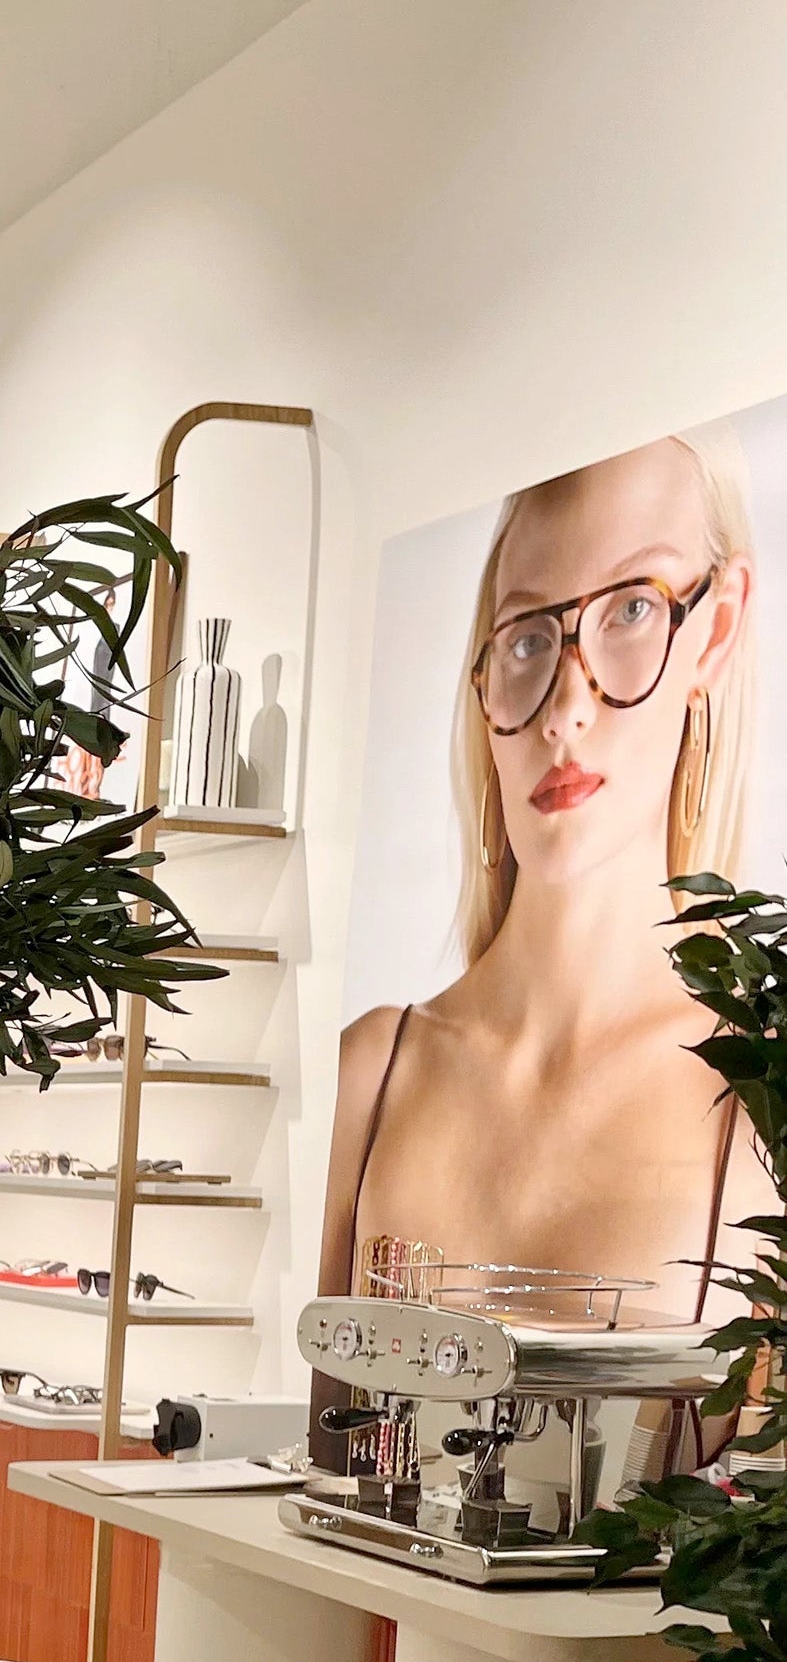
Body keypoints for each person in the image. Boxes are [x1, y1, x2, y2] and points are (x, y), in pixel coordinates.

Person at [321, 431, 766, 1322]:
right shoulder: (363, 1079)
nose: (565, 710)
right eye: (529, 638)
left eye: (631, 608)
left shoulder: (764, 1103)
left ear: (715, 628)